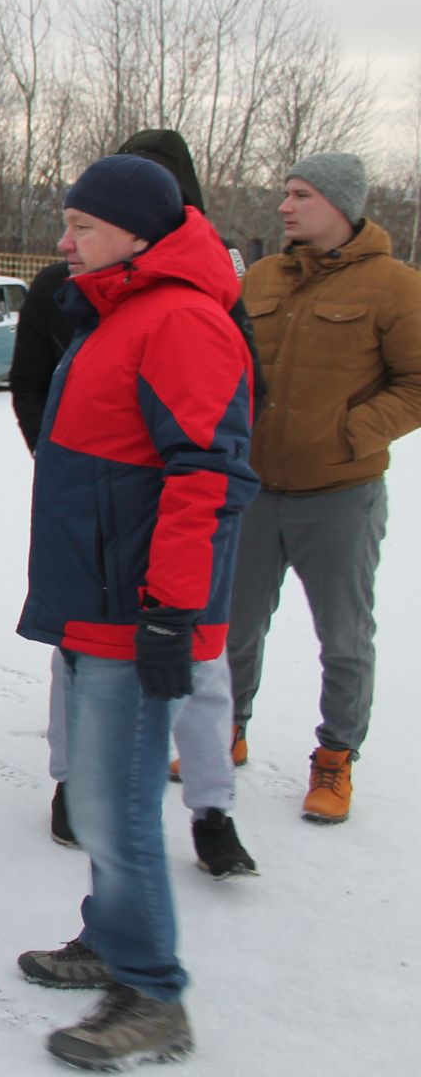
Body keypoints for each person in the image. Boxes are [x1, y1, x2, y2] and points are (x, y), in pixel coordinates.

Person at [15, 155, 257, 1069]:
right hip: (93, 600)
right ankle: (108, 940)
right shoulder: (122, 310)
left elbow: (206, 477)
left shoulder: (184, 321)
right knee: (96, 798)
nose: (63, 242)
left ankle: (153, 993)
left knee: (115, 807)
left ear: (137, 235)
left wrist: (170, 612)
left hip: (133, 611)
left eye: (81, 226)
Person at [226, 152, 421, 823]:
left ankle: (335, 760)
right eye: (286, 192)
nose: (285, 205)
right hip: (254, 490)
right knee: (234, 626)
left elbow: (417, 384)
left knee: (343, 637)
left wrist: (348, 436)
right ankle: (228, 729)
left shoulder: (395, 287)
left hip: (340, 497)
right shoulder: (260, 277)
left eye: (300, 194)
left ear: (340, 204)